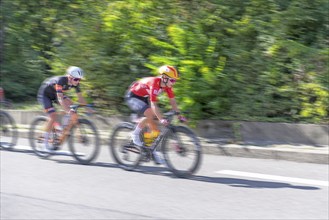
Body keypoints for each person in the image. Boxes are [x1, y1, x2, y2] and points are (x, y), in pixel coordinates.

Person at [125, 65, 186, 164]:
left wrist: (179, 115)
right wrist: (161, 118)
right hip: (133, 96)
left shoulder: (167, 86)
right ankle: (135, 134)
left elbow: (173, 101)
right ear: (165, 78)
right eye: (173, 80)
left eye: (175, 81)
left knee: (155, 127)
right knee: (150, 115)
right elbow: (153, 103)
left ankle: (151, 151)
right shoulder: (155, 83)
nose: (174, 83)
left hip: (143, 97)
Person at [37, 66, 89, 151]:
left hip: (56, 94)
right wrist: (68, 111)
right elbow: (60, 99)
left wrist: (88, 107)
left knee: (72, 105)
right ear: (70, 77)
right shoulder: (61, 81)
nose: (78, 81)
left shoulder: (76, 83)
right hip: (45, 95)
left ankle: (59, 127)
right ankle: (45, 144)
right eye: (76, 79)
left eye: (79, 79)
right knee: (53, 116)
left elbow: (81, 99)